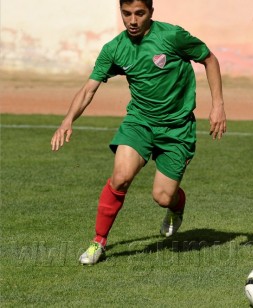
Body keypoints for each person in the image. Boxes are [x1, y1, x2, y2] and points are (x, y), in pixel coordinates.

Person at [50, 0, 227, 265]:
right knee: (120, 177)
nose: (132, 20)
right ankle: (98, 242)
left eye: (139, 14)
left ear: (151, 13)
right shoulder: (115, 49)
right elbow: (89, 89)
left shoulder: (172, 36)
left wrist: (218, 106)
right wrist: (67, 120)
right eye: (127, 14)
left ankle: (176, 206)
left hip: (177, 128)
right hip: (139, 123)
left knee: (162, 196)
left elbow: (209, 59)